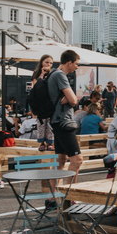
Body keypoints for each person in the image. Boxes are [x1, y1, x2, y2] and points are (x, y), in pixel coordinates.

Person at [48, 49, 83, 181]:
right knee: (77, 160)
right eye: (76, 64)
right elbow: (74, 100)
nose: (77, 67)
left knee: (60, 160)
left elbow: (71, 99)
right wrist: (71, 98)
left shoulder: (53, 73)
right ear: (69, 62)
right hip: (64, 122)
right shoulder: (60, 75)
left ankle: (54, 197)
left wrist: (69, 98)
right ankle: (70, 197)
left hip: (56, 121)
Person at [30, 54, 55, 152]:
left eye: (51, 63)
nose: (49, 64)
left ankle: (50, 143)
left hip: (49, 103)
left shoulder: (53, 74)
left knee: (50, 125)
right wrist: (42, 74)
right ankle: (41, 143)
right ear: (42, 62)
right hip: (40, 103)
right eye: (47, 62)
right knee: (41, 125)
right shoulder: (36, 73)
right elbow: (35, 87)